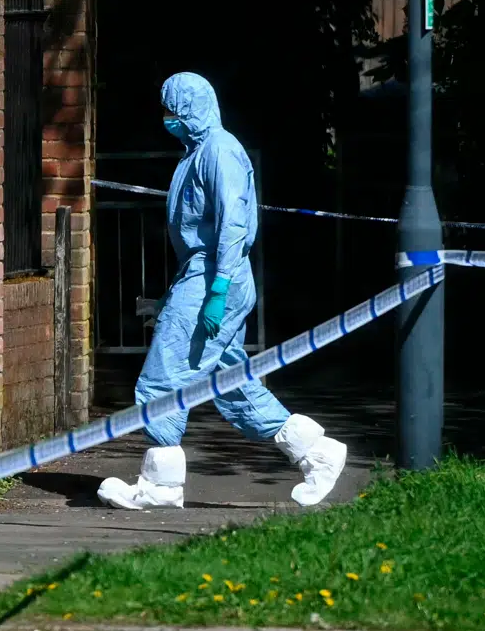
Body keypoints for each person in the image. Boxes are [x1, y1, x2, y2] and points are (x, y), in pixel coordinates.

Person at [97, 72, 348, 510]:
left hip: (214, 277)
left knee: (162, 378)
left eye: (172, 108)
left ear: (190, 107)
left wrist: (217, 289)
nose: (167, 118)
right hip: (206, 275)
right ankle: (318, 454)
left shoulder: (218, 151)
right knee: (232, 385)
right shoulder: (200, 151)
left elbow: (232, 222)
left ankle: (160, 486)